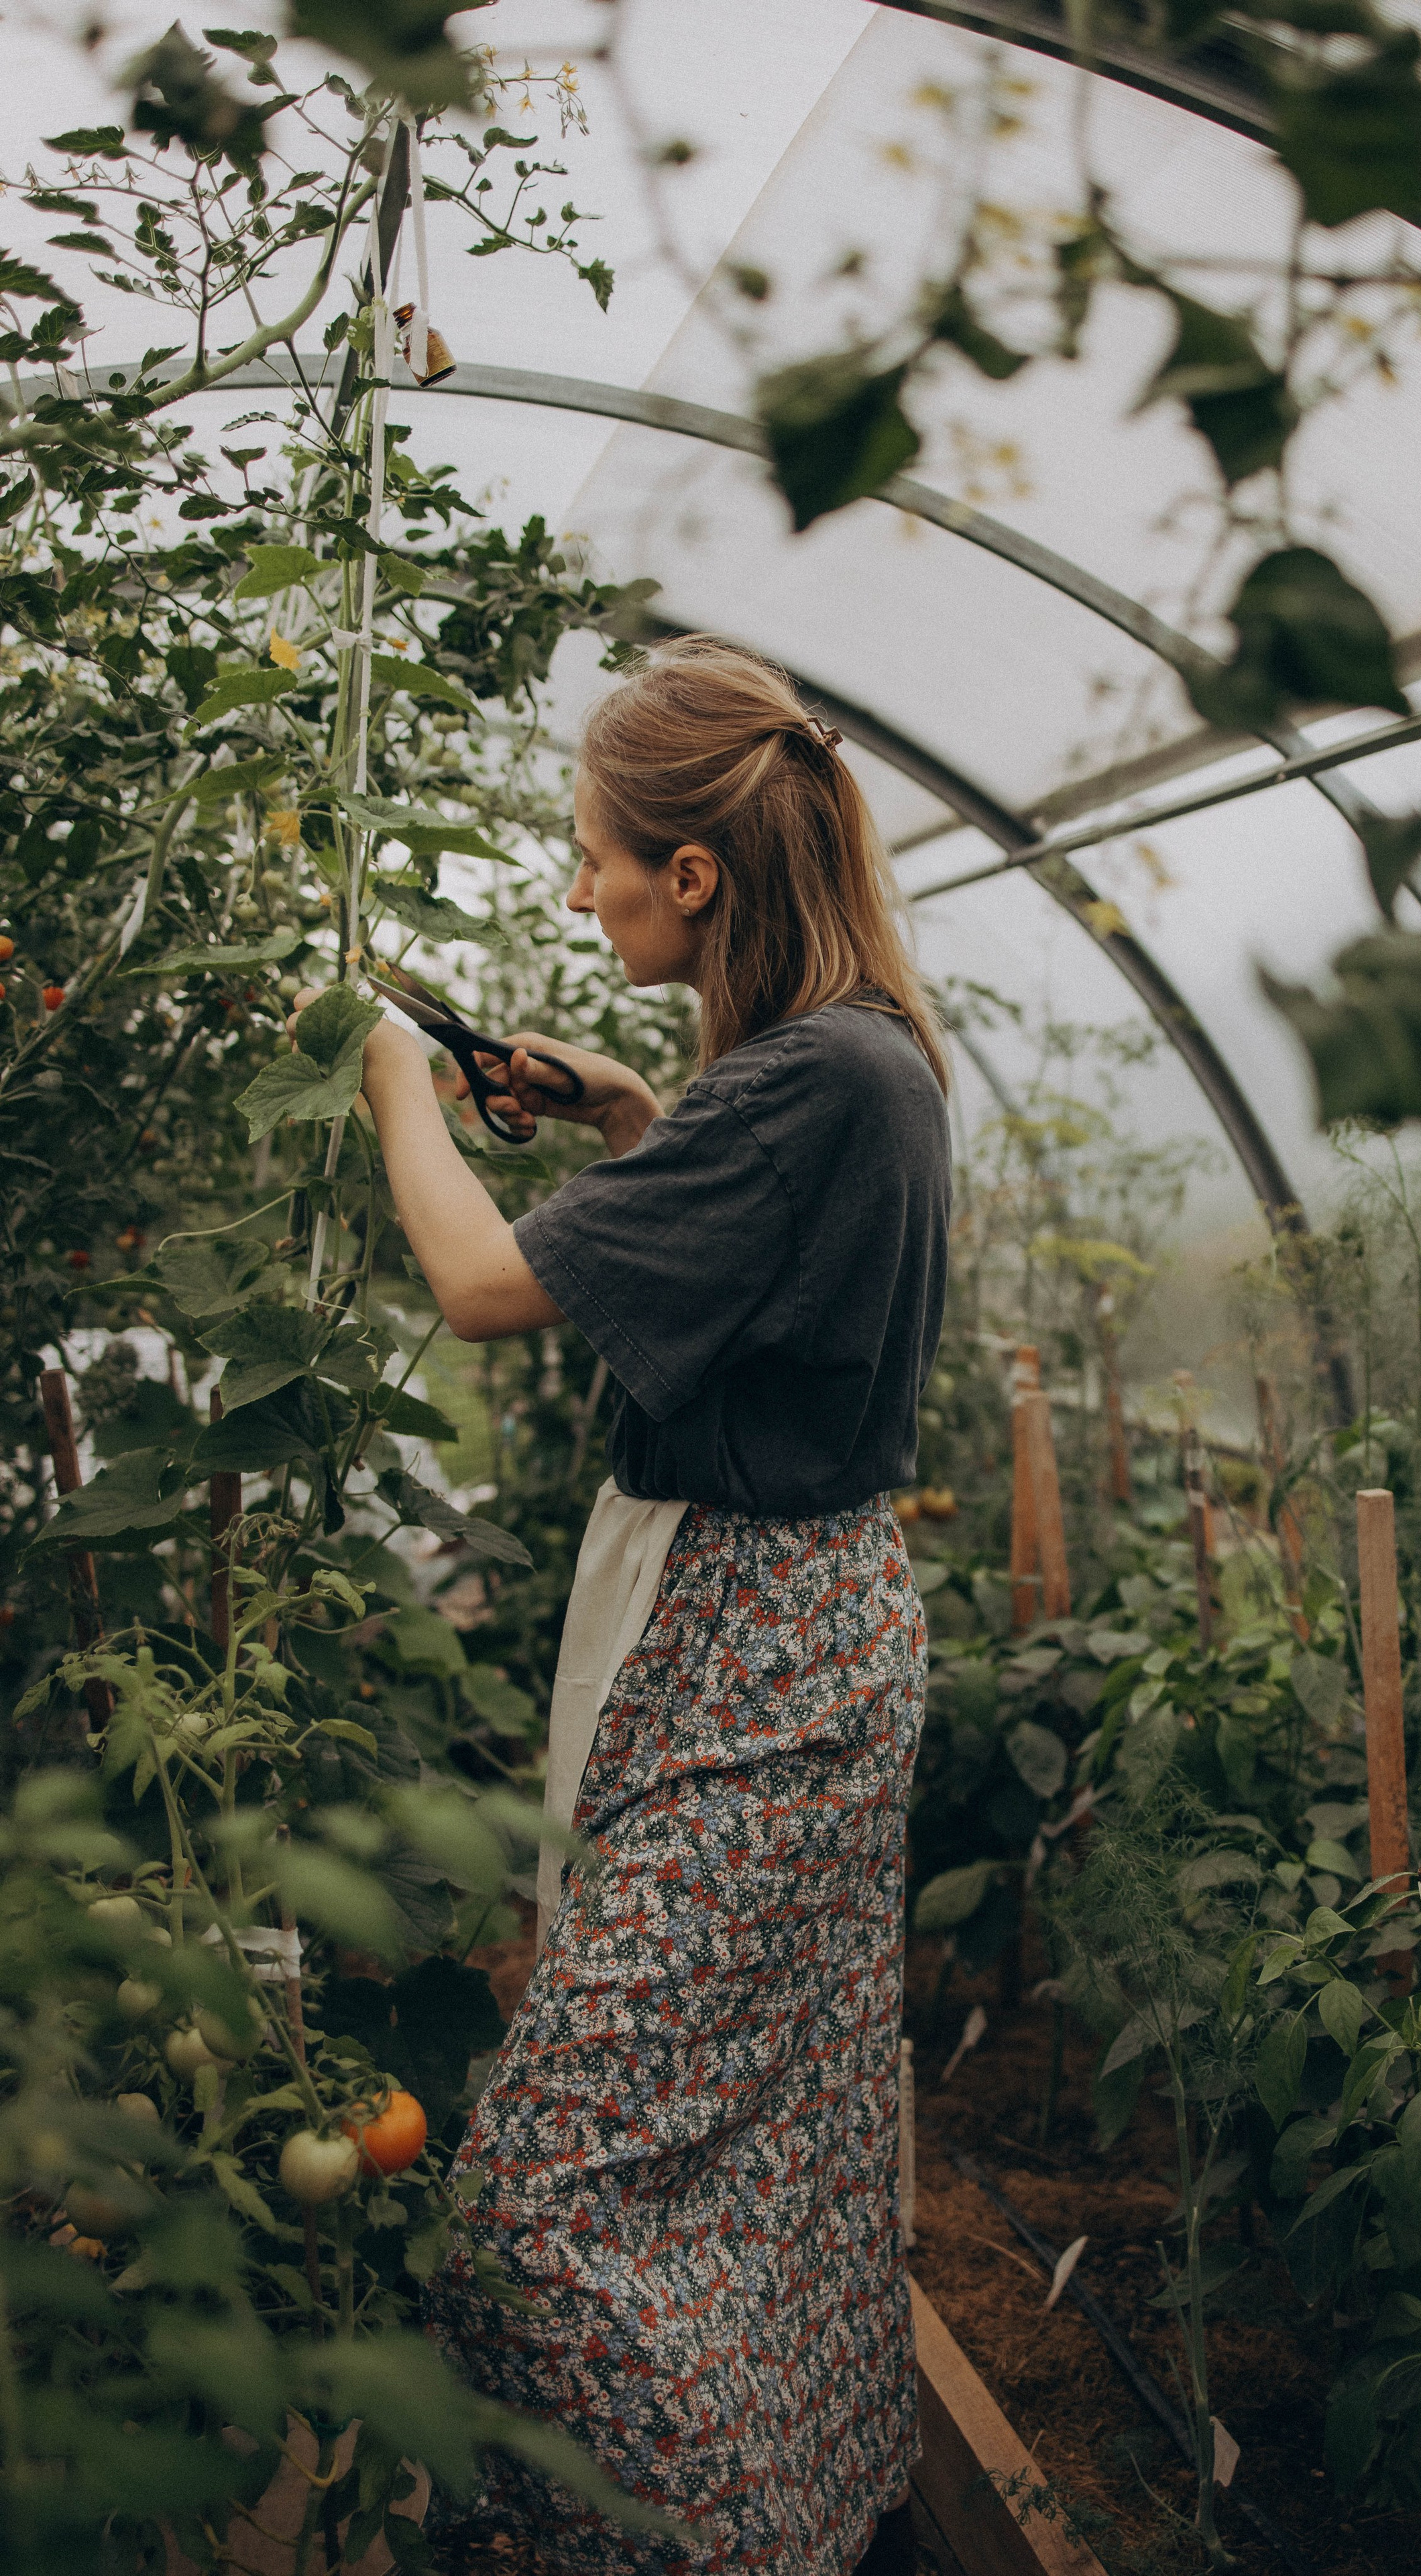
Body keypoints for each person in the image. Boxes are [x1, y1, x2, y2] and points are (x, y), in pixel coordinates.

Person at [290, 637, 949, 2574]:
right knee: (769, 2132)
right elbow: (767, 1273)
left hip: (761, 1657)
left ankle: (670, 2540)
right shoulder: (847, 1058)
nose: (580, 893)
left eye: (595, 858)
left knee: (543, 2195)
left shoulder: (807, 1082)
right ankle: (786, 2508)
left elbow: (485, 1290)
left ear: (697, 874)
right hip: (803, 1627)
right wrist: (628, 1110)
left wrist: (393, 1078)